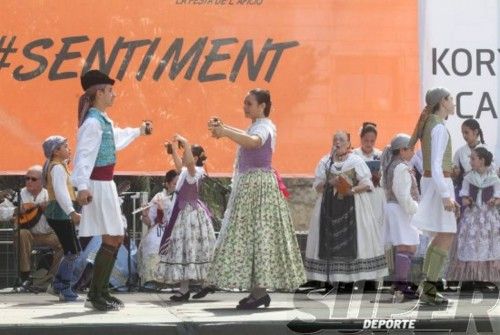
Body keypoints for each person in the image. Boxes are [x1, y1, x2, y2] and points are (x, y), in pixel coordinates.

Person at [207, 90, 304, 308]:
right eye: (245, 103)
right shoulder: (256, 125)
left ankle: (259, 292)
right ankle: (258, 292)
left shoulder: (265, 127)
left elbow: (253, 142)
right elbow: (246, 136)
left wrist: (224, 131)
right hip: (252, 186)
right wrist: (224, 128)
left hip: (258, 186)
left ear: (262, 106)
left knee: (259, 236)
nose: (245, 107)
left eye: (249, 103)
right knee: (252, 236)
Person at [72, 69, 151, 311]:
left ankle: (98, 292)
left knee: (114, 237)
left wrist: (138, 131)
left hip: (105, 185)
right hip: (97, 185)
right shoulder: (93, 123)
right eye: (110, 91)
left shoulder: (101, 121)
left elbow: (115, 138)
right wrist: (82, 187)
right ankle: (96, 294)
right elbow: (83, 156)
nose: (113, 95)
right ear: (99, 93)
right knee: (114, 236)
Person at [304, 131, 388, 286]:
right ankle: (330, 280)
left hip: (354, 206)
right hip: (329, 207)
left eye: (342, 140)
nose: (338, 142)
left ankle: (350, 281)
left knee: (358, 240)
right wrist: (331, 182)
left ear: (349, 143)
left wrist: (352, 190)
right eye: (335, 139)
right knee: (328, 239)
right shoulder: (325, 162)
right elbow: (318, 186)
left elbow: (367, 183)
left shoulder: (355, 161)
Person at [409, 87, 458, 305]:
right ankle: (429, 287)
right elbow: (437, 165)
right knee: (446, 234)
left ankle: (427, 287)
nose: (453, 103)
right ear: (442, 102)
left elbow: (425, 161)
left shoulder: (430, 124)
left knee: (440, 235)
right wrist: (446, 194)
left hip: (432, 182)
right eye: (451, 99)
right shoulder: (438, 127)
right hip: (440, 184)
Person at [156, 135, 215, 301]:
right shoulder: (186, 171)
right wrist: (174, 150)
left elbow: (188, 165)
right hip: (183, 212)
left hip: (189, 214)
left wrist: (186, 143)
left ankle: (188, 288)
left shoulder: (195, 172)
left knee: (187, 250)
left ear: (195, 157)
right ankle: (196, 286)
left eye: (187, 153)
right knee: (186, 250)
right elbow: (180, 165)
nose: (184, 156)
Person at [446, 147, 500, 285]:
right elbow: (463, 198)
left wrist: (494, 201)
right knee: (470, 244)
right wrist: (468, 200)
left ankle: (485, 278)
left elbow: (498, 196)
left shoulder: (494, 178)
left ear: (482, 161)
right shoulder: (468, 178)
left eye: (473, 158)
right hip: (473, 215)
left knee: (488, 244)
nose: (470, 161)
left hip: (488, 216)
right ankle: (469, 278)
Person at [380, 134, 420, 302]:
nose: (413, 152)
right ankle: (402, 287)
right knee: (406, 247)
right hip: (401, 210)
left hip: (396, 209)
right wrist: (416, 209)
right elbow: (403, 194)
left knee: (407, 247)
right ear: (402, 150)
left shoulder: (392, 165)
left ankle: (400, 284)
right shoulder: (401, 167)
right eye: (411, 148)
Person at [42, 136, 82, 301]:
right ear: (56, 151)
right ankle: (63, 287)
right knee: (72, 251)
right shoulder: (57, 168)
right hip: (60, 213)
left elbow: (67, 189)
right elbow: (60, 193)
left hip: (60, 212)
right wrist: (71, 212)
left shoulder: (60, 166)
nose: (69, 148)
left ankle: (58, 285)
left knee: (72, 251)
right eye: (65, 146)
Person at [17, 165, 63, 289]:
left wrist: (50, 210)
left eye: (33, 179)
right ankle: (25, 278)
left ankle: (51, 278)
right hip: (29, 234)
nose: (29, 181)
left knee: (65, 243)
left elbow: (61, 214)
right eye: (27, 178)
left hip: (48, 234)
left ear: (42, 182)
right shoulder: (19, 194)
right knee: (22, 234)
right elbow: (2, 212)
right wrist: (17, 210)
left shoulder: (50, 195)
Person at [137, 169, 178, 290]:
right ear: (167, 183)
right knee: (153, 244)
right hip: (160, 229)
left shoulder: (181, 196)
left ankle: (177, 280)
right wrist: (145, 213)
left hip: (177, 229)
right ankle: (152, 279)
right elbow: (149, 221)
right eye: (174, 183)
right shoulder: (159, 197)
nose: (176, 186)